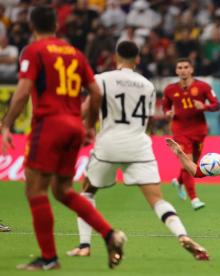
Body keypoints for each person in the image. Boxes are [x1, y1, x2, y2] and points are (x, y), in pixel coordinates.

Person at [0, 5, 125, 270]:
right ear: (57, 25)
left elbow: (23, 91)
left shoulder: (34, 51)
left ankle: (49, 258)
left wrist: (7, 124)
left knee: (35, 189)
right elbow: (95, 92)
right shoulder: (75, 53)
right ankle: (110, 234)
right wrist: (90, 125)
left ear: (32, 26)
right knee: (62, 190)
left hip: (49, 125)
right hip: (74, 127)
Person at [66, 41, 209, 261]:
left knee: (87, 192)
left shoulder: (102, 79)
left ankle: (85, 245)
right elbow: (149, 120)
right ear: (138, 60)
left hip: (109, 143)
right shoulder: (147, 85)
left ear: (116, 58)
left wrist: (79, 129)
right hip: (139, 145)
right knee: (157, 200)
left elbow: (86, 108)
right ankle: (182, 234)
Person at [162, 58, 220, 210]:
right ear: (176, 71)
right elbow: (166, 106)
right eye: (179, 67)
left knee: (191, 165)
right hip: (180, 130)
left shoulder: (203, 87)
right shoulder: (170, 89)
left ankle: (179, 181)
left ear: (191, 69)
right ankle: (194, 199)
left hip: (199, 131)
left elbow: (217, 105)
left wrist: (205, 107)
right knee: (187, 161)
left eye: (186, 67)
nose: (183, 70)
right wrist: (168, 114)